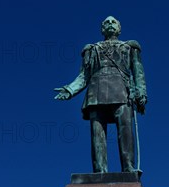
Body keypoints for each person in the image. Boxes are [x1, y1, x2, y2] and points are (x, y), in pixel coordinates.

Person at [55, 16, 147, 174]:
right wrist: (70, 89)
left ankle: (128, 167)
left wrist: (141, 92)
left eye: (113, 22)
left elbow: (138, 72)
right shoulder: (92, 49)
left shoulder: (129, 47)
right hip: (96, 91)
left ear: (119, 28)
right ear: (102, 29)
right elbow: (84, 75)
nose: (110, 24)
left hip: (122, 91)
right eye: (107, 22)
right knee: (97, 134)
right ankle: (100, 171)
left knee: (125, 130)